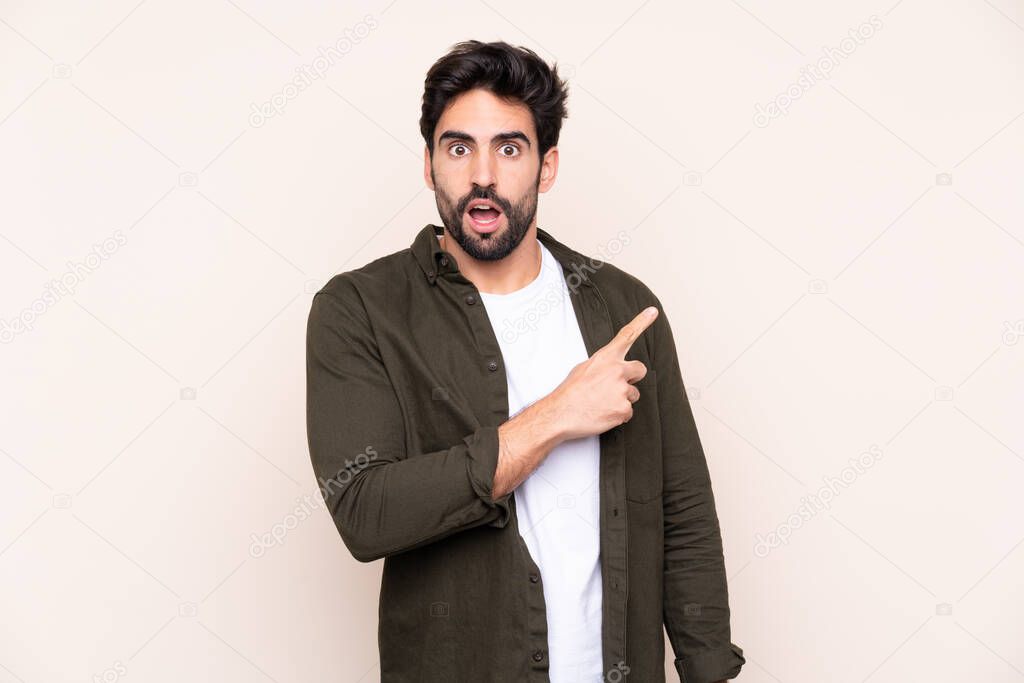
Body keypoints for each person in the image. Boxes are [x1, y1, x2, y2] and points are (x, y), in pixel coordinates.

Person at [305, 39, 745, 683]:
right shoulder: (359, 311)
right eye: (459, 147)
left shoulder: (623, 308)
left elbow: (683, 508)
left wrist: (706, 664)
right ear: (429, 164)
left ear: (547, 166)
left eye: (509, 148)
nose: (483, 174)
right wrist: (555, 416)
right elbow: (367, 513)